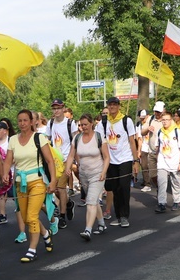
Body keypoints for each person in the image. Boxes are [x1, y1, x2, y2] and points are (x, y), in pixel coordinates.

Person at [2, 110, 57, 262]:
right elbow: (8, 160)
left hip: (38, 181)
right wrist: (5, 173)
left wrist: (53, 181)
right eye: (20, 121)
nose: (22, 123)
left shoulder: (39, 138)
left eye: (25, 120)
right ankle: (45, 234)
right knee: (26, 218)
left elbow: (50, 161)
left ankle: (32, 250)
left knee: (32, 216)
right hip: (21, 182)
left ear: (32, 122)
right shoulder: (12, 140)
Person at [64, 113, 109, 240]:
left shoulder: (99, 138)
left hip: (97, 173)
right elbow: (71, 155)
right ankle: (101, 224)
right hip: (83, 174)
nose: (83, 127)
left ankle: (88, 230)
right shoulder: (77, 138)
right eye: (81, 125)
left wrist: (103, 172)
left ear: (91, 124)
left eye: (85, 124)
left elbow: (106, 157)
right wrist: (68, 168)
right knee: (93, 200)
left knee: (90, 201)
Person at [95, 96, 138, 228]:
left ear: (119, 106)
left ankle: (125, 216)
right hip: (111, 160)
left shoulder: (126, 121)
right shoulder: (103, 122)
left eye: (115, 104)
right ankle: (118, 216)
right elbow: (99, 141)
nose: (112, 107)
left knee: (124, 188)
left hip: (125, 159)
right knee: (115, 189)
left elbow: (132, 141)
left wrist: (135, 161)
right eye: (110, 105)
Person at [45, 99, 77, 229]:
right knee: (56, 190)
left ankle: (62, 215)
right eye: (54, 108)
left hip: (66, 160)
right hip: (54, 161)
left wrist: (72, 161)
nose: (56, 111)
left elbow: (76, 142)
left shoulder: (70, 123)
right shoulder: (50, 123)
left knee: (61, 188)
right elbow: (47, 141)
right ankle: (69, 204)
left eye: (58, 108)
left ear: (63, 108)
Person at [154, 112, 180, 213]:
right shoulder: (160, 132)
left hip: (174, 162)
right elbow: (157, 147)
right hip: (162, 162)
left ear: (171, 120)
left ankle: (176, 201)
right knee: (161, 182)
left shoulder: (176, 131)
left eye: (167, 120)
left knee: (175, 181)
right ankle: (161, 203)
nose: (165, 122)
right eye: (163, 120)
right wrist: (157, 158)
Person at [141, 101, 165, 193]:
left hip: (163, 153)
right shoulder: (150, 119)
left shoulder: (166, 120)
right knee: (152, 175)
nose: (157, 113)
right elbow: (142, 132)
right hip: (151, 151)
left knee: (162, 175)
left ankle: (162, 193)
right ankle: (160, 188)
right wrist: (147, 128)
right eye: (155, 111)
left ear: (163, 110)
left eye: (159, 112)